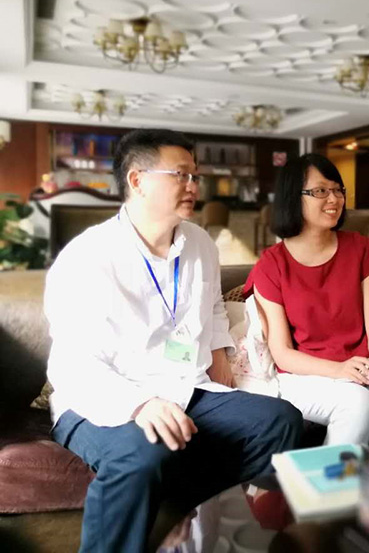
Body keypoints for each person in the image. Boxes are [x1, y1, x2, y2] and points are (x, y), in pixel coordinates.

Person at [45, 129, 303, 552]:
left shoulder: (200, 243)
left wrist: (219, 352)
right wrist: (139, 404)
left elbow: (214, 307)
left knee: (279, 419)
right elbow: (73, 365)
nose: (193, 185)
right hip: (101, 397)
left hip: (186, 386)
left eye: (195, 176)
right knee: (141, 452)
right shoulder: (87, 257)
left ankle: (232, 534)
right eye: (180, 174)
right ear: (137, 180)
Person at [245, 153, 369, 465]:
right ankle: (327, 491)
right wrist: (339, 370)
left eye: (338, 190)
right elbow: (283, 353)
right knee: (358, 404)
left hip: (363, 362)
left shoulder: (360, 249)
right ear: (293, 197)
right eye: (320, 191)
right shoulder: (271, 265)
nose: (334, 199)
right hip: (305, 373)